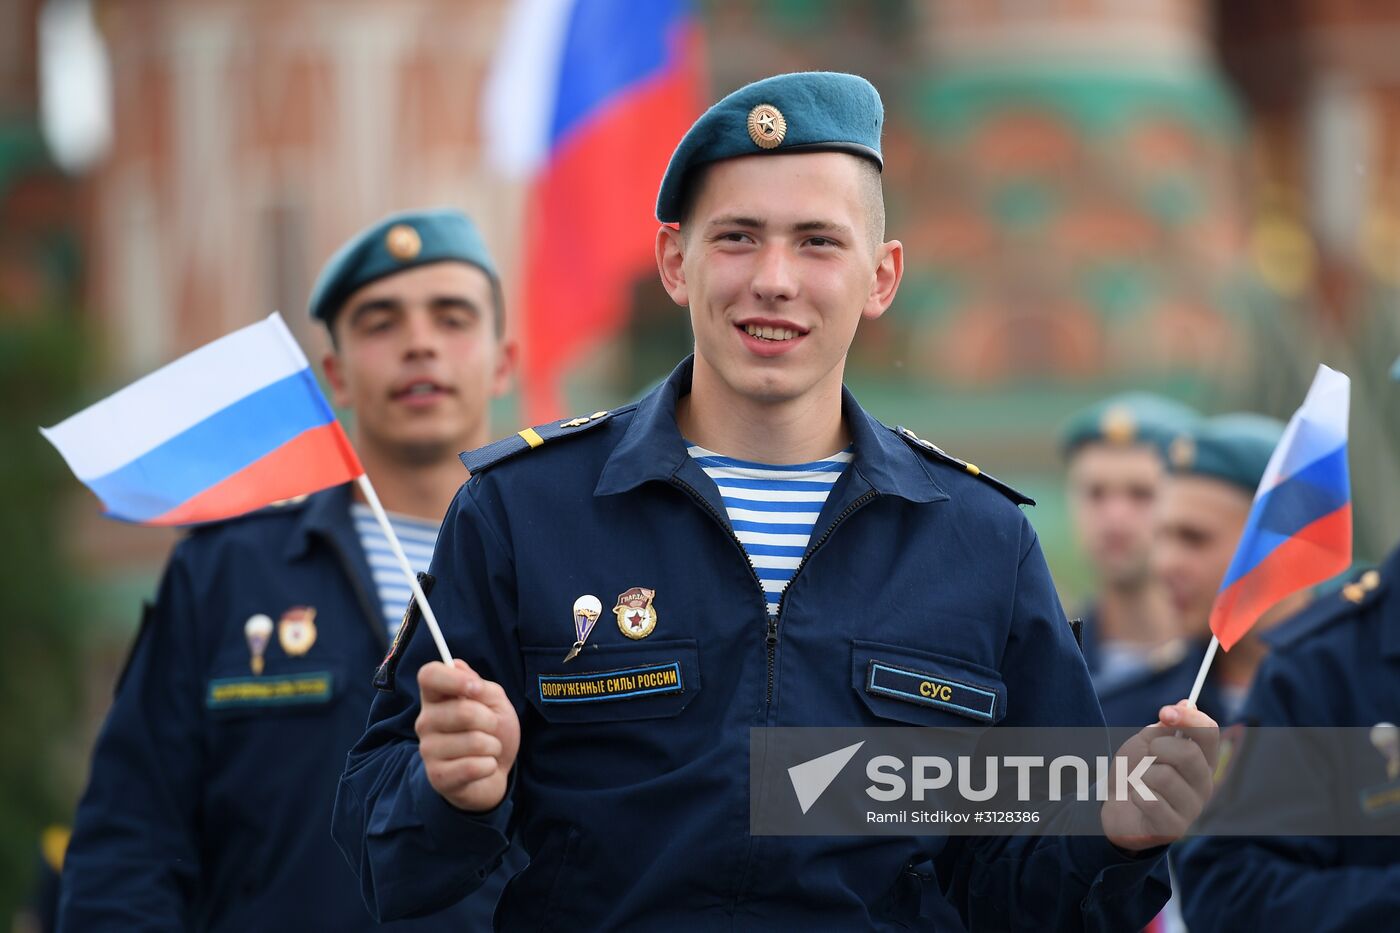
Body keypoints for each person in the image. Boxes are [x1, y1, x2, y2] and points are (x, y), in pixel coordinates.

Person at [333, 73, 1218, 931]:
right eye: (738, 238)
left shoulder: (980, 541)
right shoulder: (525, 511)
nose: (775, 279)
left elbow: (1025, 893)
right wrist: (448, 791)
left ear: (882, 276)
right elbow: (380, 853)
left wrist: (1114, 834)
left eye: (818, 242)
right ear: (675, 262)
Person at [58, 208, 521, 930]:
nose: (419, 343)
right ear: (335, 374)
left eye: (452, 317)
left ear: (502, 362)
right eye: (380, 323)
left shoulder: (570, 563)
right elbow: (129, 844)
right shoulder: (226, 572)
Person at [1098, 413, 1303, 727]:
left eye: (1194, 538)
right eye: (1161, 537)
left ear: (1283, 543)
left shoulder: (1360, 692)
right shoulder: (1127, 713)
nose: (1164, 564)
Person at [1059, 392, 1199, 693]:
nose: (1115, 516)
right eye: (1096, 493)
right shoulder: (1050, 657)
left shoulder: (1229, 668)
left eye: (1141, 493)